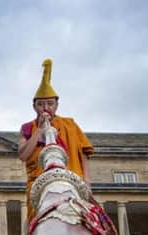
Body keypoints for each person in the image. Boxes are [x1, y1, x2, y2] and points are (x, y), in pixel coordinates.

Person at [18, 59, 94, 223]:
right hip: (39, 184)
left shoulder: (70, 124)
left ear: (57, 105)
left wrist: (87, 181)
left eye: (50, 104)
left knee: (86, 220)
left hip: (72, 180)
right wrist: (38, 130)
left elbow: (84, 154)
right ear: (34, 107)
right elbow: (23, 155)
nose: (45, 108)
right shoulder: (27, 128)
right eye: (41, 104)